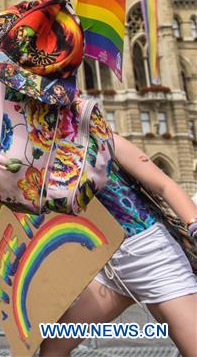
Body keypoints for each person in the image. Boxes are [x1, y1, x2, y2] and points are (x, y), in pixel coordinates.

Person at [41, 134, 197, 356]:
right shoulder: (39, 153)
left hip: (152, 256)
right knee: (52, 348)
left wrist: (194, 225)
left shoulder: (103, 137)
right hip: (108, 267)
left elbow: (164, 185)